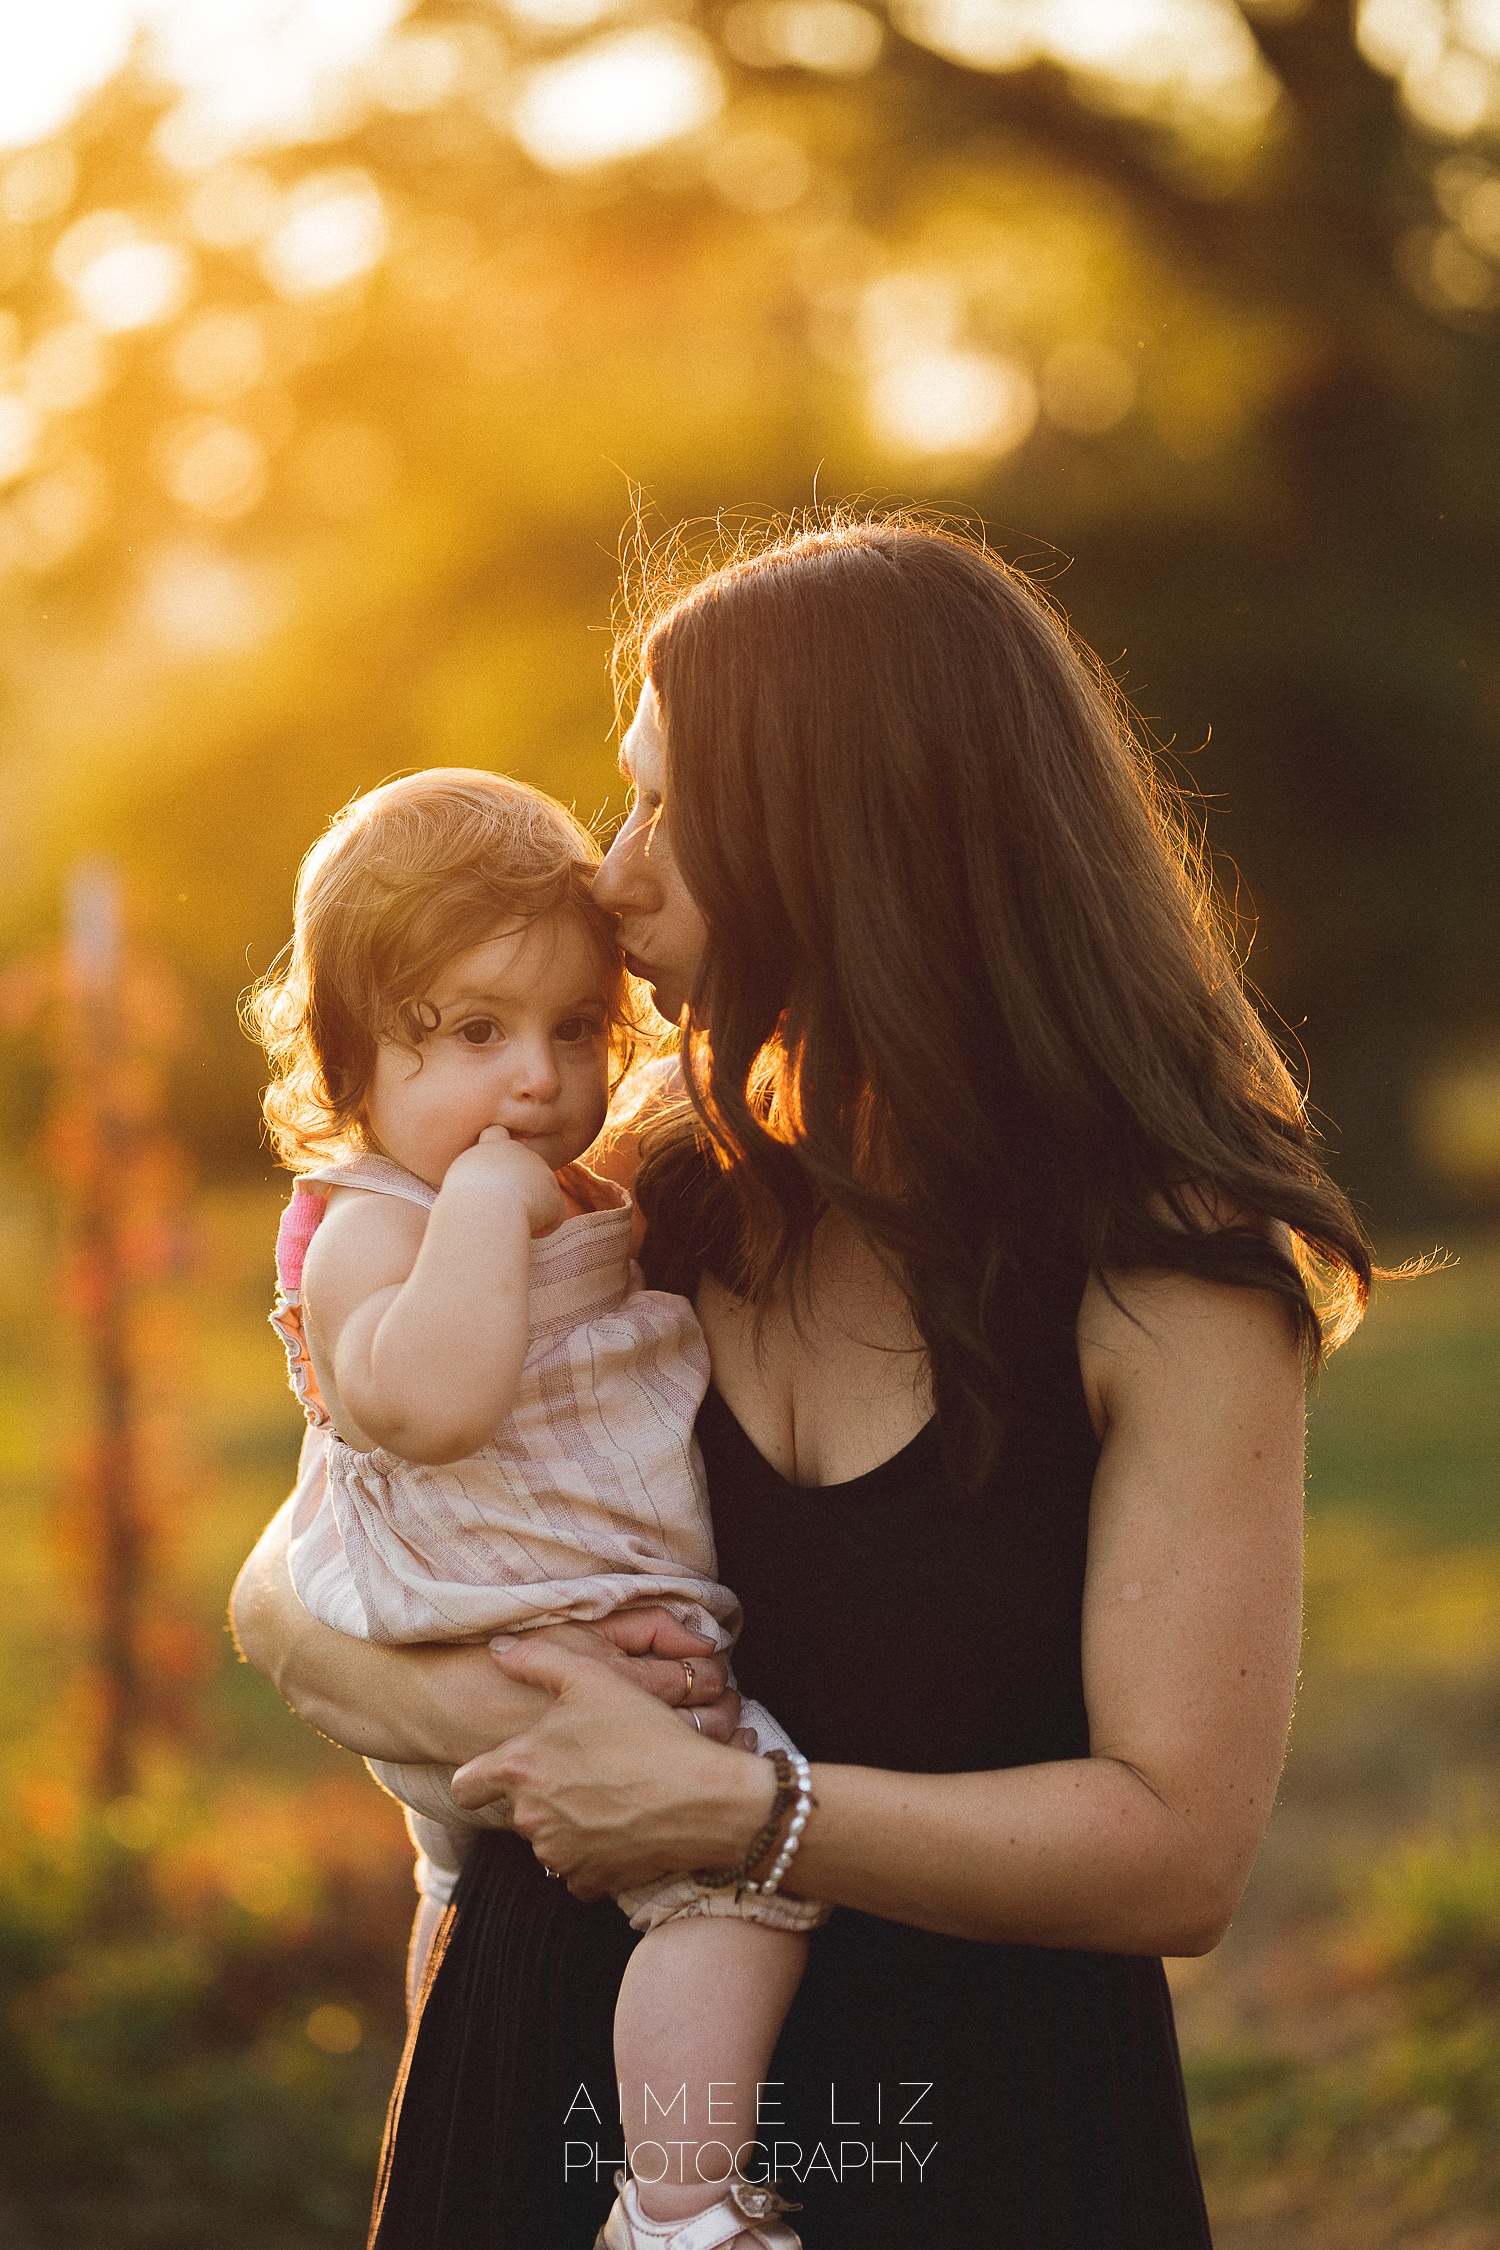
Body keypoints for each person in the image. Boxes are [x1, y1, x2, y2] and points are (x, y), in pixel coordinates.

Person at [233, 516, 1371, 2250]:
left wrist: (741, 1812)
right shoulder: (661, 1192)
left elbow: (1178, 1853)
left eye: (665, 807)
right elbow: (285, 1590)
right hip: (553, 2072)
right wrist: (530, 1729)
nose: (611, 875)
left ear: (836, 840)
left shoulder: (1172, 1276)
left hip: (969, 2128)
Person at [244, 768, 822, 2250]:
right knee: (740, 1896)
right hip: (504, 1623)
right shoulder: (371, 1224)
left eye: (575, 1030)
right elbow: (428, 1404)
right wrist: (491, 1213)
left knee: (487, 1898)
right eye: (477, 1033)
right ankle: (682, 2204)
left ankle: (553, 2114)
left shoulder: (572, 1179)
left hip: (572, 1622)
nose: (539, 1081)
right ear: (349, 1060)